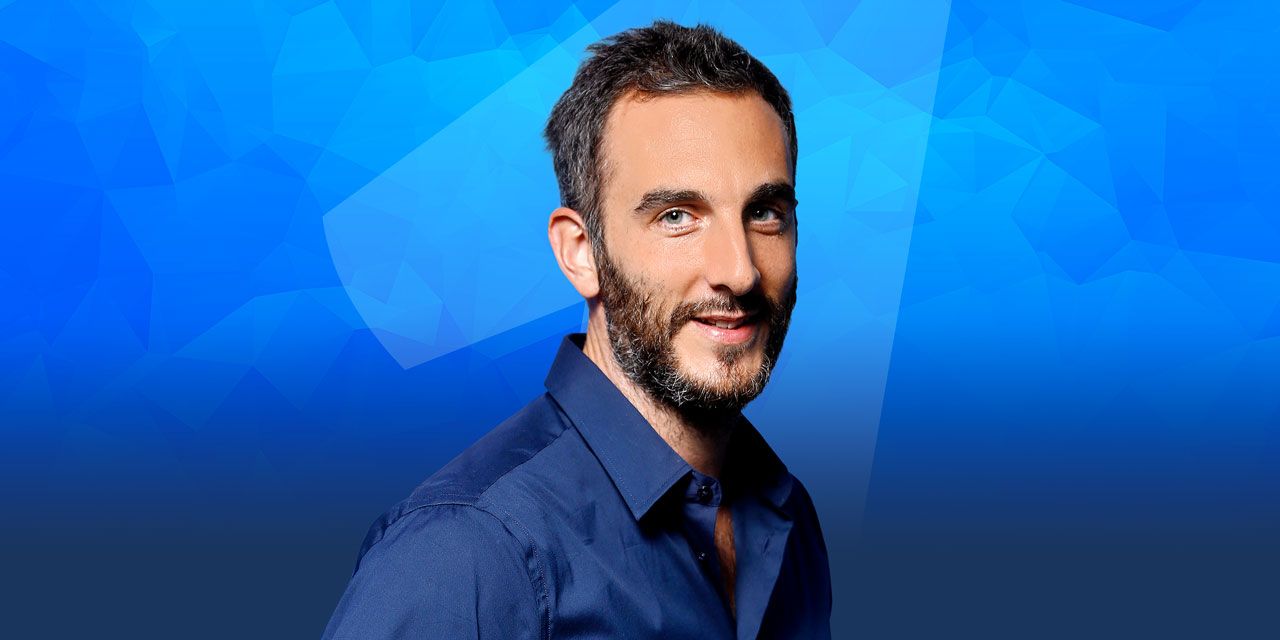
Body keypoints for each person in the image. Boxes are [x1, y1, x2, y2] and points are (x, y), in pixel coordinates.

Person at [322, 20, 831, 639]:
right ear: (581, 253)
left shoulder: (788, 516)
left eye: (765, 213)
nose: (740, 271)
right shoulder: (467, 554)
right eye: (677, 216)